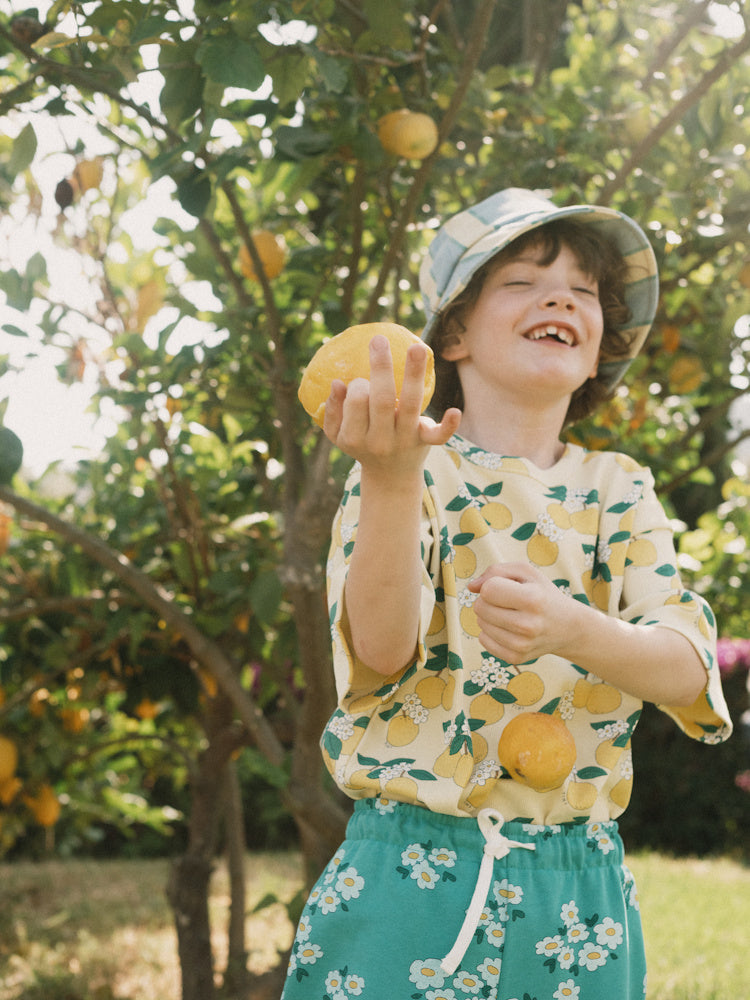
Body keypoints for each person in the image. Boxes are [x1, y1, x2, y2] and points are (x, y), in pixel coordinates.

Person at [282, 188, 732, 1000]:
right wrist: (388, 479)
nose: (560, 296)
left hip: (577, 891)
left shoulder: (619, 491)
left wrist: (575, 630)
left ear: (597, 351)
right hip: (408, 879)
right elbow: (380, 654)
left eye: (583, 290)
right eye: (522, 280)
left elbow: (691, 675)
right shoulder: (404, 472)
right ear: (453, 332)